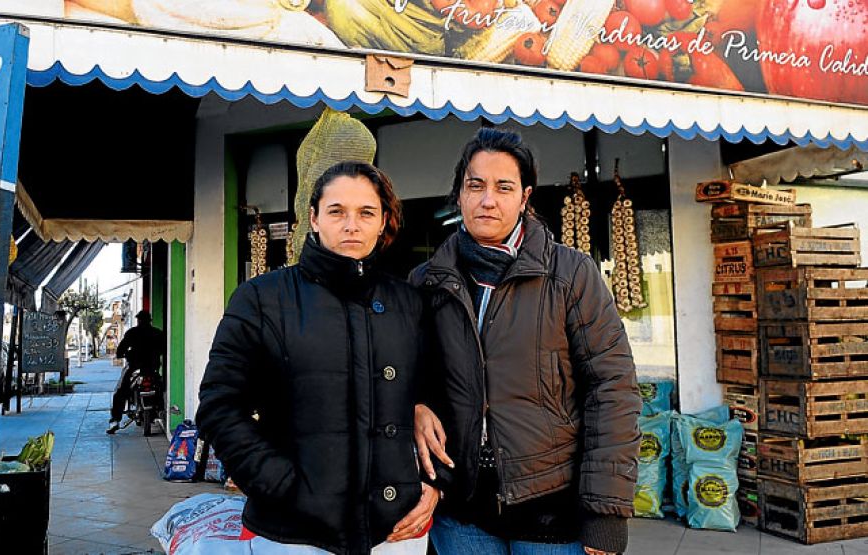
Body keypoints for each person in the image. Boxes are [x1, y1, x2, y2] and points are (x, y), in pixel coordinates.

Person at [409, 128, 641, 555]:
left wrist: (606, 514)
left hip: (551, 504)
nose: (487, 199)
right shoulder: (428, 282)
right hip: (462, 508)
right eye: (474, 185)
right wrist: (416, 404)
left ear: (525, 196)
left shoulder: (570, 274)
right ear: (459, 194)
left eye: (504, 187)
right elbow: (405, 372)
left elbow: (612, 389)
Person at [196, 161, 440, 554]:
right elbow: (218, 406)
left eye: (366, 213)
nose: (351, 225)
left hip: (395, 530)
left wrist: (434, 485)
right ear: (313, 218)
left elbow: (438, 395)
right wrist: (279, 485)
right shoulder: (262, 298)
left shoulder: (408, 303)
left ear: (382, 222)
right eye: (337, 211)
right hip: (293, 532)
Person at [107, 310, 166, 434]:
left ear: (138, 320)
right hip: (151, 368)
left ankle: (115, 420)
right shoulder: (157, 333)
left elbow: (120, 350)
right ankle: (161, 410)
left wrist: (122, 354)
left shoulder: (132, 333)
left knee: (121, 391)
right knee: (160, 387)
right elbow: (164, 349)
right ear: (149, 320)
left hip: (134, 367)